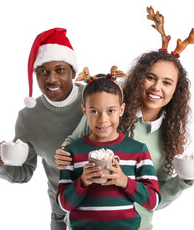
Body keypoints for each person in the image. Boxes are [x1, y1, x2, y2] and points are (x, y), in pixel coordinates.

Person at [54, 51, 194, 230]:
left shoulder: (170, 138)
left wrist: (185, 178)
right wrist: (63, 154)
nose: (156, 88)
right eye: (151, 78)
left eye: (167, 82)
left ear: (176, 89)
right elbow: (71, 146)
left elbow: (155, 197)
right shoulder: (105, 109)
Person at [0, 28, 84, 230]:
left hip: (108, 207)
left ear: (73, 71)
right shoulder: (28, 117)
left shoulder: (95, 97)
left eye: (60, 69)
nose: (51, 79)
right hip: (62, 212)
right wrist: (0, 163)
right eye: (43, 71)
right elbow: (23, 172)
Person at [56, 67, 161, 230]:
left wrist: (125, 182)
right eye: (94, 111)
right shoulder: (72, 152)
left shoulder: (137, 151)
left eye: (110, 111)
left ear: (121, 110)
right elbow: (63, 204)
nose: (102, 119)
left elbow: (153, 201)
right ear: (85, 111)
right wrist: (82, 182)